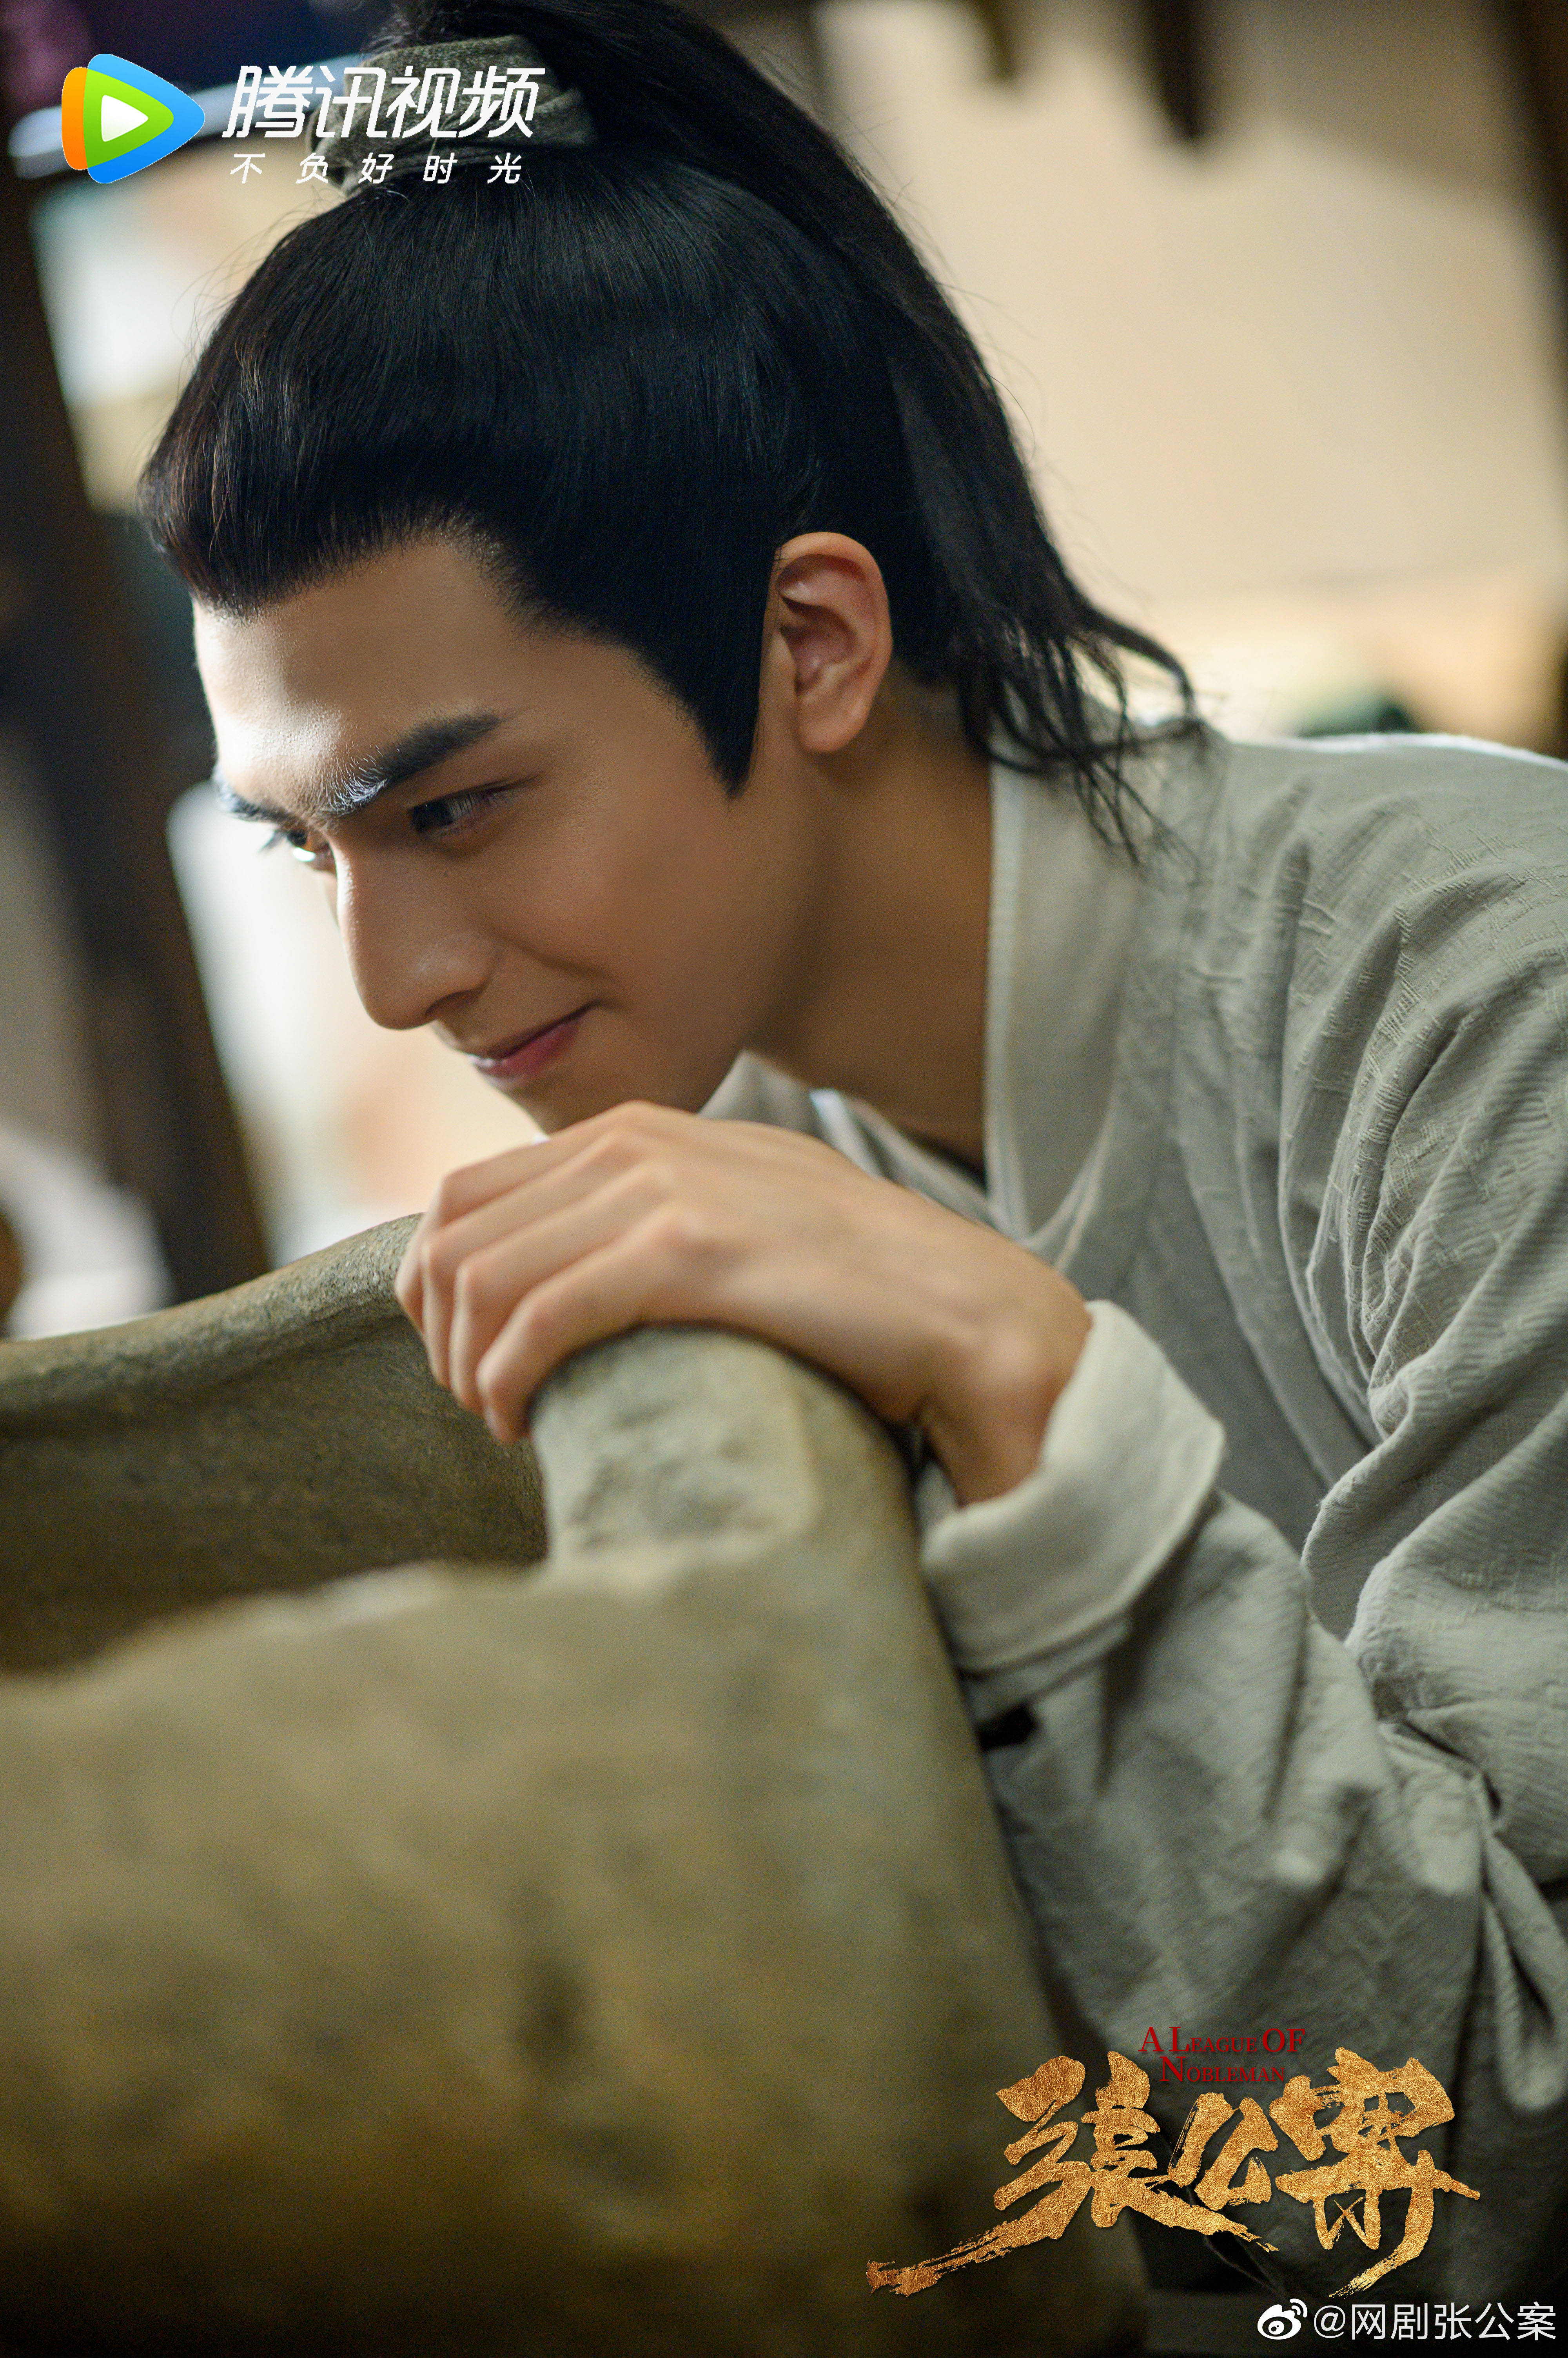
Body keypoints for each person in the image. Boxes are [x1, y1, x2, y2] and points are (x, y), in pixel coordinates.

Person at [138, 0, 1568, 2304]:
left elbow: (1497, 2184)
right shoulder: (744, 1152)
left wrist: (1033, 1397)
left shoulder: (1487, 997)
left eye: (457, 809)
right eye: (313, 849)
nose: (390, 976)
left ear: (810, 641)